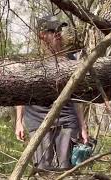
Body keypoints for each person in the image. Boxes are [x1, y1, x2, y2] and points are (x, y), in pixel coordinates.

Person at [15, 15, 89, 170]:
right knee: (43, 168)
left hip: (67, 118)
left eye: (59, 30)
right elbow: (20, 94)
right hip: (37, 119)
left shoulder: (71, 61)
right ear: (42, 35)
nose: (58, 34)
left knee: (67, 167)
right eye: (52, 30)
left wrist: (83, 126)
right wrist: (18, 122)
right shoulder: (31, 61)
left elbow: (77, 97)